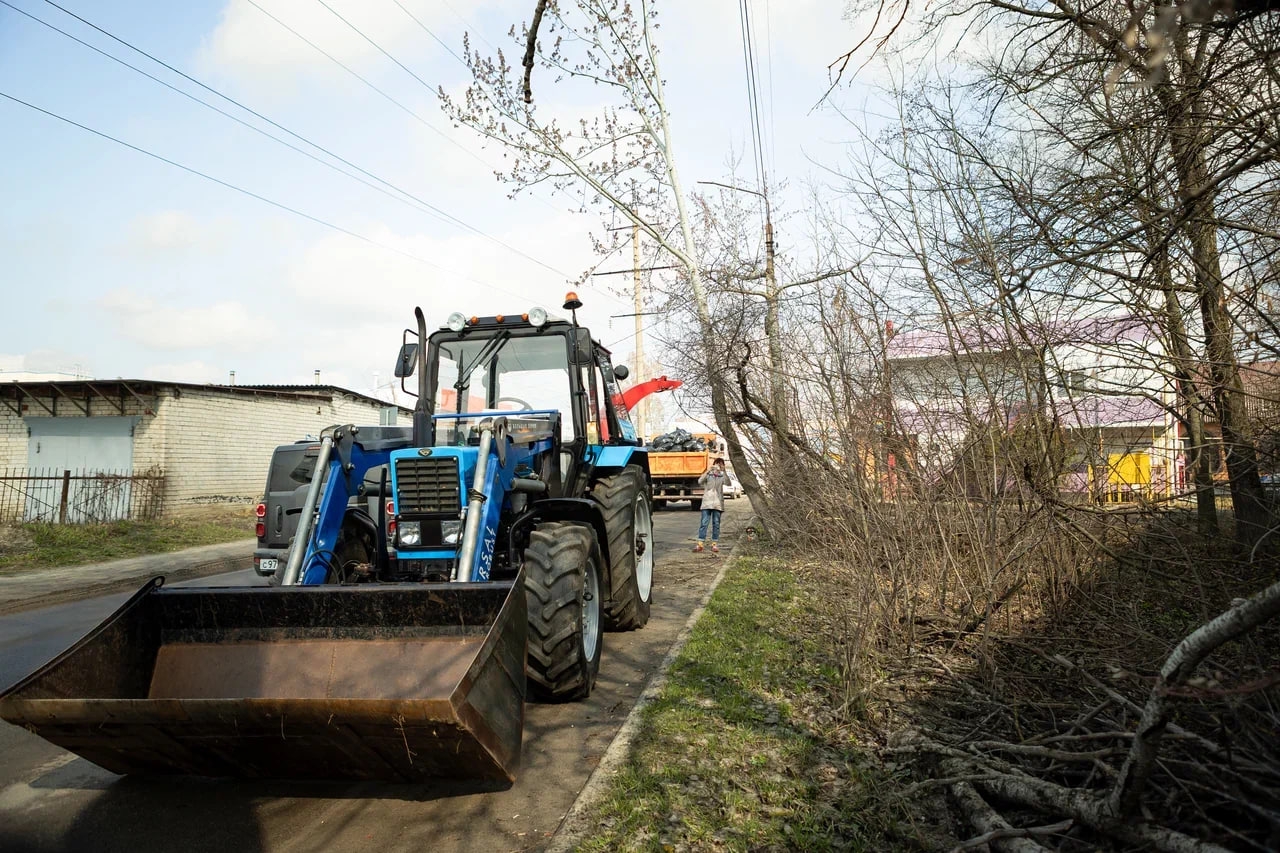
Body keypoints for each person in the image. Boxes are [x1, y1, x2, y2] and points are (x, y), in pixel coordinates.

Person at [694, 457, 728, 553]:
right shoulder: (709, 475)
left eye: (721, 464)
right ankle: (700, 544)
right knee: (704, 523)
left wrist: (724, 471)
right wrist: (708, 470)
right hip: (707, 503)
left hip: (718, 504)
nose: (719, 466)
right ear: (714, 464)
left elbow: (728, 483)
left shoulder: (722, 476)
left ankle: (714, 544)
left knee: (716, 524)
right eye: (717, 464)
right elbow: (700, 481)